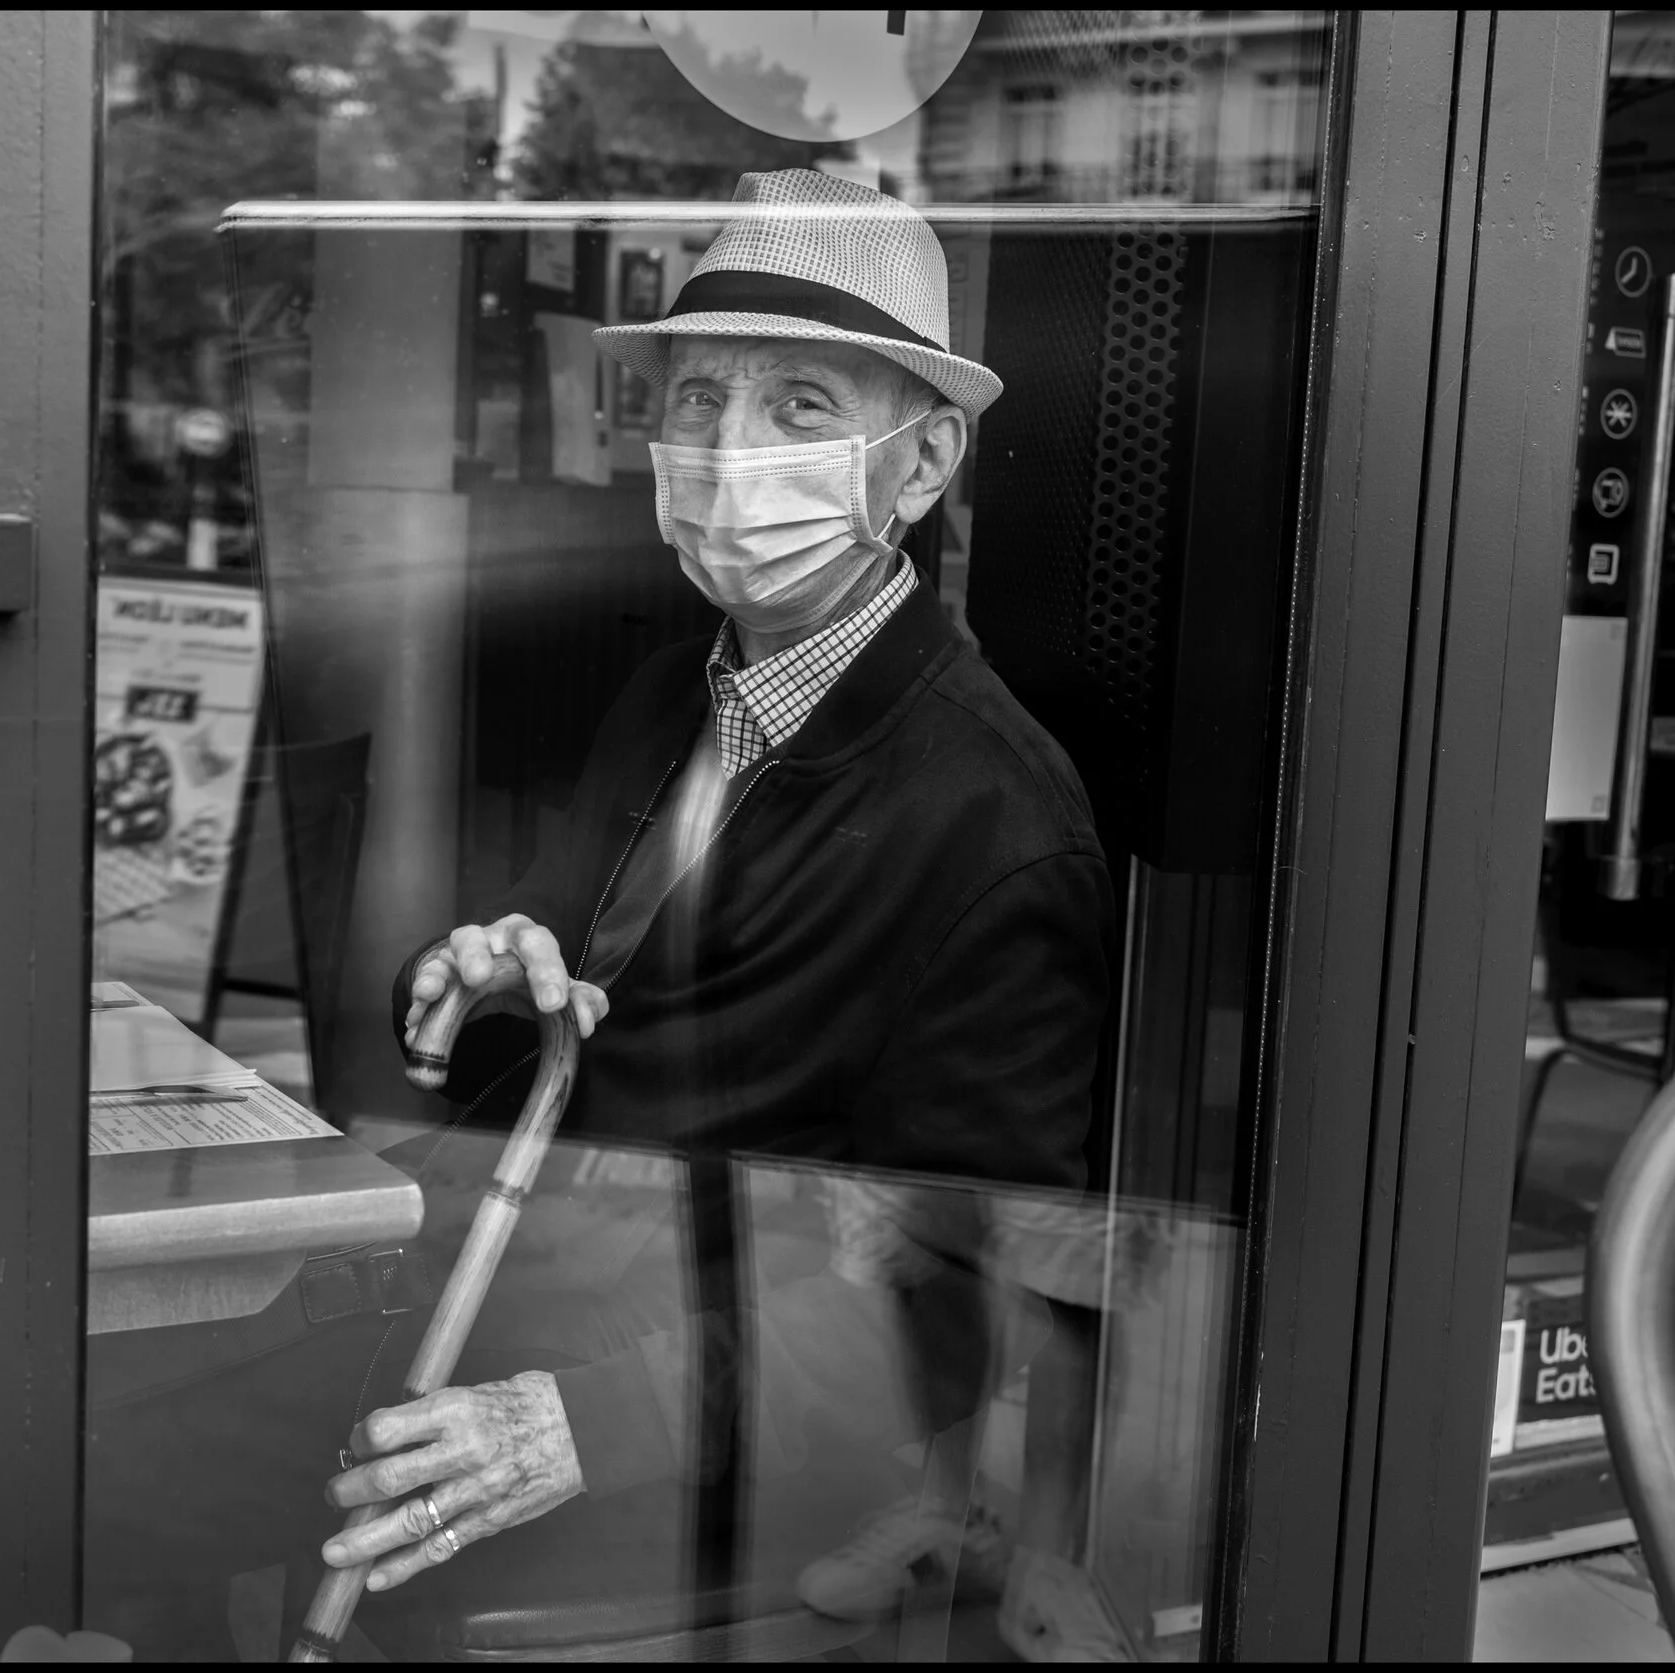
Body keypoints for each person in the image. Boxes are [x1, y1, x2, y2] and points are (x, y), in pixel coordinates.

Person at [82, 168, 1113, 1657]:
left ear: (925, 458)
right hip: (478, 1271)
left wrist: (576, 1422)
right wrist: (486, 969)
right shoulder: (672, 690)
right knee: (57, 1408)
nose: (724, 452)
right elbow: (575, 982)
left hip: (657, 1416)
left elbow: (955, 1295)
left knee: (71, 1476)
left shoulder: (1000, 822)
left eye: (801, 407)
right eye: (697, 401)